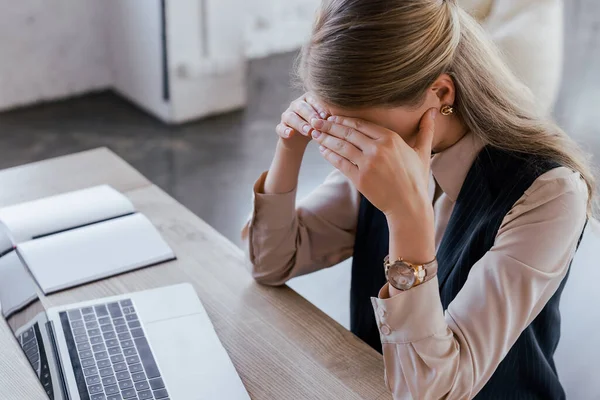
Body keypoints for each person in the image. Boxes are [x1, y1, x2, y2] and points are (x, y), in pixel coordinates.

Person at [242, 0, 593, 398]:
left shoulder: (549, 193)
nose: (349, 139)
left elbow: (432, 392)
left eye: (359, 125)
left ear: (441, 92)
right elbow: (270, 263)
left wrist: (406, 217)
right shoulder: (382, 149)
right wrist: (289, 148)